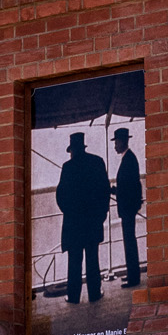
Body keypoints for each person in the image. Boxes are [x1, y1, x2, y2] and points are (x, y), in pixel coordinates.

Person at [54, 132, 112, 303]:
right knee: (93, 259)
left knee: (74, 261)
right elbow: (105, 191)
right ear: (83, 147)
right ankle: (94, 293)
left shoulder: (68, 167)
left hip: (74, 223)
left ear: (72, 150)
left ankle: (73, 296)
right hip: (93, 221)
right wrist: (101, 215)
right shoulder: (97, 162)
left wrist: (69, 213)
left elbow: (60, 196)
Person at [110, 126, 146, 288]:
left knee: (129, 242)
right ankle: (132, 274)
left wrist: (114, 191)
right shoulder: (129, 158)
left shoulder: (129, 160)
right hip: (128, 207)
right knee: (129, 241)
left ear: (123, 141)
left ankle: (134, 278)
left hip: (127, 208)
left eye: (116, 142)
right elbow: (130, 186)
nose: (115, 146)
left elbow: (132, 186)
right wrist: (114, 190)